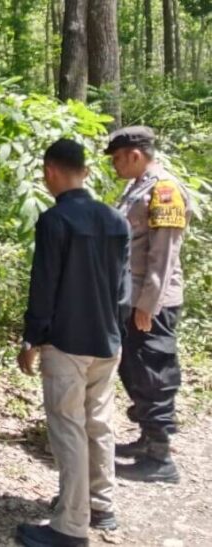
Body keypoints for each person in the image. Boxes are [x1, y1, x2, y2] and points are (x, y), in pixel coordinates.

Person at [15, 139, 131, 547]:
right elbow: (123, 289)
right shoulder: (115, 219)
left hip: (67, 342)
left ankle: (71, 526)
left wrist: (32, 336)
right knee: (98, 425)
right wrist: (116, 331)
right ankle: (100, 504)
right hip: (107, 340)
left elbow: (43, 285)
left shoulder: (55, 221)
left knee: (68, 429)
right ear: (84, 169)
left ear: (50, 172)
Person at [106, 126, 191, 484]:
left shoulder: (165, 191)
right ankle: (145, 440)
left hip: (151, 302)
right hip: (133, 296)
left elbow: (164, 255)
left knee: (153, 372)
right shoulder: (137, 187)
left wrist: (148, 304)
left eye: (117, 159)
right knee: (135, 369)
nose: (114, 166)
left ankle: (160, 458)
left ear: (135, 155)